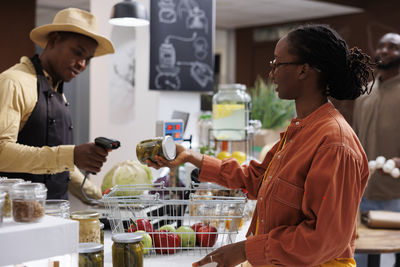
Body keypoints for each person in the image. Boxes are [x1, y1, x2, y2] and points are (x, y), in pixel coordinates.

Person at [147, 24, 374, 267]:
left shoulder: (335, 144)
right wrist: (192, 157)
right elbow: (256, 179)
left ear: (303, 70)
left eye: (277, 63)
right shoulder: (302, 130)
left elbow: (324, 240)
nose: (272, 73)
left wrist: (246, 250)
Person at [0, 8, 115, 200]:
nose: (82, 65)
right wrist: (70, 155)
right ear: (53, 41)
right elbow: (1, 152)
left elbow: (63, 167)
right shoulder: (14, 82)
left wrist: (102, 199)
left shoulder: (58, 93)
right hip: (15, 220)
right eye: (78, 53)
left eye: (88, 59)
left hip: (54, 219)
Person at [353, 32, 400, 267]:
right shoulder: (365, 93)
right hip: (364, 191)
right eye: (381, 46)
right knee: (360, 255)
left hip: (396, 195)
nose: (384, 51)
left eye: (393, 47)